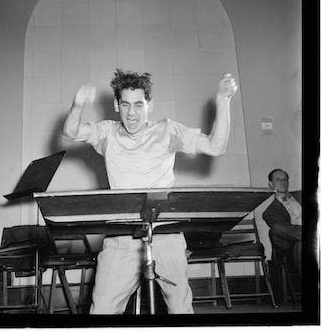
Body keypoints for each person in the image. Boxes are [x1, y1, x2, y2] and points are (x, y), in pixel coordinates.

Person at [63, 68, 237, 314]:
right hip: (121, 236)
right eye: (125, 105)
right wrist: (77, 104)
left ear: (150, 105)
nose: (132, 113)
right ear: (116, 105)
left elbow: (215, 146)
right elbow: (70, 132)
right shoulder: (107, 133)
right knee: (102, 309)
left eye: (138, 105)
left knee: (179, 307)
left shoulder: (167, 130)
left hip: (166, 232)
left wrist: (223, 100)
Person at [262, 169, 301, 272]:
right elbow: (284, 232)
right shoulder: (269, 212)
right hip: (291, 243)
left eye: (285, 179)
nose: (283, 182)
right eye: (278, 179)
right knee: (275, 228)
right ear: (271, 184)